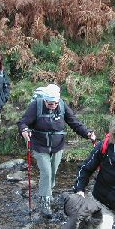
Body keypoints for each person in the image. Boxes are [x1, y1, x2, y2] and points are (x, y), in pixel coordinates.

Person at [18, 83, 96, 218]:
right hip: (40, 146)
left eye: (54, 103)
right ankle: (45, 201)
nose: (52, 105)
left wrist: (87, 133)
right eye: (49, 103)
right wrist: (24, 130)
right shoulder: (36, 105)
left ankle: (48, 192)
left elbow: (74, 122)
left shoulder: (62, 105)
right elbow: (23, 122)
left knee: (52, 173)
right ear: (44, 100)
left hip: (57, 146)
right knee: (46, 172)